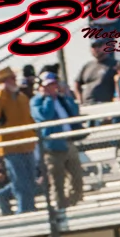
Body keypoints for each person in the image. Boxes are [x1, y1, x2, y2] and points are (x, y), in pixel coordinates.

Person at [0, 67, 37, 215]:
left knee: (30, 180)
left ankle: (3, 197)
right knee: (20, 181)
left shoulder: (22, 97)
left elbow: (29, 118)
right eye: (10, 79)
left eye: (13, 78)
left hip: (27, 144)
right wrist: (2, 92)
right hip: (11, 147)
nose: (13, 81)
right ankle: (25, 210)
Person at [30, 73, 84, 209]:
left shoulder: (62, 99)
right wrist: (48, 98)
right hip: (52, 146)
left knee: (77, 178)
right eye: (48, 85)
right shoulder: (36, 101)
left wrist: (66, 95)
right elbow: (45, 115)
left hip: (68, 142)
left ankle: (73, 203)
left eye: (53, 84)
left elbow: (74, 111)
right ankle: (61, 208)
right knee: (57, 181)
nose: (52, 87)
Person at [76, 39, 118, 105]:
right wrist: (80, 100)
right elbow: (77, 83)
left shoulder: (114, 64)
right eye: (94, 47)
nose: (96, 49)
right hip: (86, 104)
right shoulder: (87, 66)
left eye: (99, 46)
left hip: (104, 104)